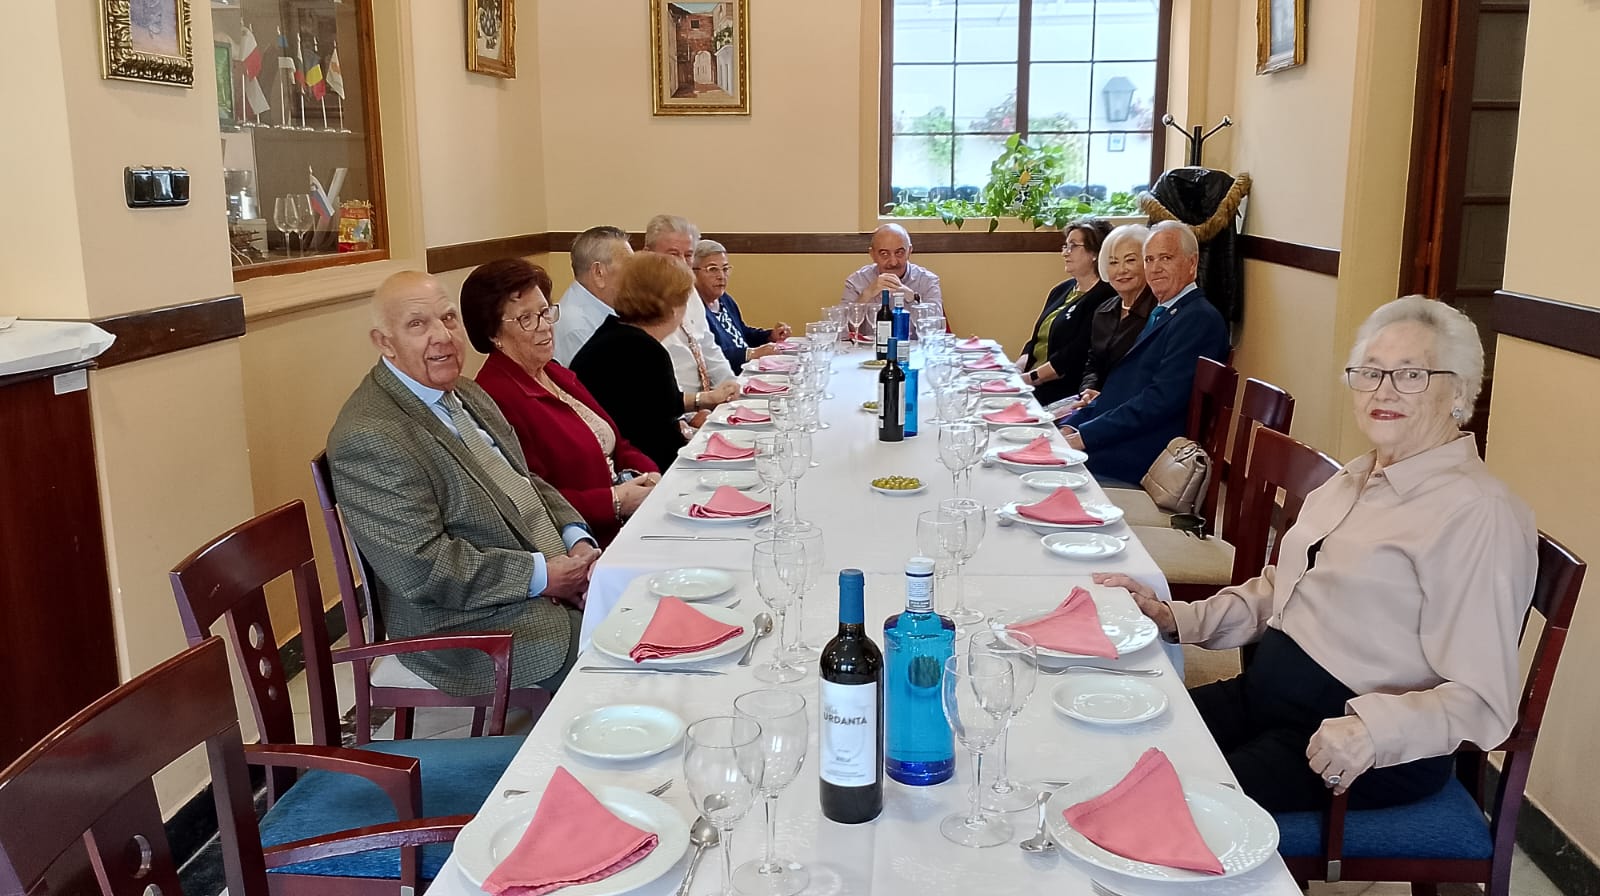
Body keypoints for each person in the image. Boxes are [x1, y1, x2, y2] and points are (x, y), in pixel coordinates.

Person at [1097, 297, 1537, 813]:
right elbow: (1280, 588)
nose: (1383, 390)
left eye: (1411, 374)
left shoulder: (1477, 513)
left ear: (1459, 392)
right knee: (1112, 742)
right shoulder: (1355, 478)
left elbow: (1485, 699)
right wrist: (1176, 618)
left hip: (1348, 744)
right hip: (1264, 700)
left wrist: (1372, 730)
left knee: (1153, 806)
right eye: (1369, 373)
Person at [327, 271, 596, 697]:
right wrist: (544, 576)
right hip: (463, 622)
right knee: (612, 659)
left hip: (537, 572)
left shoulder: (466, 393)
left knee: (642, 613)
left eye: (448, 319)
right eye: (418, 325)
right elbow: (424, 568)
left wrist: (576, 538)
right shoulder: (371, 435)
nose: (442, 336)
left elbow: (525, 480)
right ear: (384, 342)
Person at [463, 258, 662, 547]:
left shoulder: (554, 371)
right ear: (493, 333)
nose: (544, 327)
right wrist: (614, 501)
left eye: (545, 312)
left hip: (631, 518)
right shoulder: (496, 397)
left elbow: (619, 444)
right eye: (526, 319)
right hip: (588, 542)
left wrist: (650, 474)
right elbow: (531, 497)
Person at [1061, 220, 1229, 485]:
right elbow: (1125, 390)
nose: (1155, 268)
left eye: (1166, 258)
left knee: (1040, 470)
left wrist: (1082, 437)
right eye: (1149, 259)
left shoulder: (1198, 318)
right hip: (1122, 438)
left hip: (1142, 454)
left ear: (1192, 263)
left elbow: (1159, 401)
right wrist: (1073, 423)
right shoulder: (1164, 312)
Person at [570, 253, 705, 472]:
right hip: (632, 471)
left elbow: (660, 407)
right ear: (672, 308)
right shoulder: (644, 352)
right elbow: (660, 442)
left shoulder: (614, 334)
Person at [641, 215, 739, 416]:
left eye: (688, 255)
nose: (682, 263)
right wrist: (689, 415)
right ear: (648, 253)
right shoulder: (640, 299)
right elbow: (651, 386)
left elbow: (708, 346)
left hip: (707, 403)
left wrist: (731, 387)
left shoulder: (690, 291)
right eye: (673, 254)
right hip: (674, 412)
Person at [1014, 218, 1116, 405]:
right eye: (1065, 246)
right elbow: (1036, 340)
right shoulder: (1061, 290)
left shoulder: (1105, 296)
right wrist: (1016, 370)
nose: (1065, 253)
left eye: (1073, 246)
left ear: (1095, 253)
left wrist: (1028, 379)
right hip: (1031, 383)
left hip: (1060, 392)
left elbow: (1074, 355)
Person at [1070, 223, 1158, 412]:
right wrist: (1088, 390)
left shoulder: (1157, 314)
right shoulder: (1103, 311)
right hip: (1093, 403)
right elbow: (1092, 363)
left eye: (1130, 260)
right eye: (1113, 262)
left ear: (1147, 263)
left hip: (1128, 410)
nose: (1121, 270)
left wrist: (1105, 399)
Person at [693, 239, 791, 374]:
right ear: (693, 272)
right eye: (713, 269)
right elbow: (708, 356)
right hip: (728, 379)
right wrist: (750, 353)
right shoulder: (694, 309)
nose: (721, 276)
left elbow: (742, 333)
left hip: (750, 370)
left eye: (725, 269)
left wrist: (769, 336)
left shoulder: (724, 299)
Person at [841, 223, 944, 338]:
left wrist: (912, 297)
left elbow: (937, 327)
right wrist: (867, 295)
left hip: (914, 352)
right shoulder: (856, 281)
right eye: (884, 254)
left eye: (899, 253)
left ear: (909, 251)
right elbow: (842, 331)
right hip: (867, 352)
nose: (893, 262)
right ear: (872, 254)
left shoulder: (927, 280)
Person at [552, 225, 633, 366]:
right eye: (629, 268)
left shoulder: (608, 309)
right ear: (598, 273)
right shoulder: (578, 328)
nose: (635, 275)